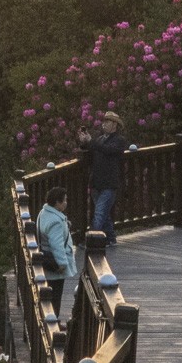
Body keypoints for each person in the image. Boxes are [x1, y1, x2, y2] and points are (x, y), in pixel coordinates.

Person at [77, 111, 127, 239]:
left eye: (108, 121)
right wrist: (84, 142)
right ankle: (111, 238)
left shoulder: (119, 140)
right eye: (104, 121)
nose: (104, 124)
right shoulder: (99, 139)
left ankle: (92, 241)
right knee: (104, 215)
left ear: (115, 124)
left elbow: (108, 150)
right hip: (96, 183)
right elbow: (92, 150)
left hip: (109, 184)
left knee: (99, 214)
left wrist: (91, 141)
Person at [35, 186, 76, 312]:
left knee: (48, 296)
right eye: (64, 200)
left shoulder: (44, 213)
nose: (66, 203)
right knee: (55, 297)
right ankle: (54, 323)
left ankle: (51, 319)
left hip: (45, 259)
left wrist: (66, 224)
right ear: (57, 202)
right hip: (54, 265)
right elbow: (57, 245)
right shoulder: (56, 222)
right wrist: (62, 263)